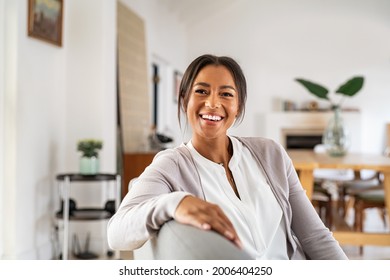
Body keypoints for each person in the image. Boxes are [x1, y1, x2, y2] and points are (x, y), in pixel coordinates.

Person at [107, 54, 348, 260]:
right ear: (184, 100)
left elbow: (315, 236)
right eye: (201, 91)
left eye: (226, 94)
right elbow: (116, 232)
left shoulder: (271, 154)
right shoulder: (172, 164)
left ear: (239, 106)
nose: (212, 103)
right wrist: (175, 202)